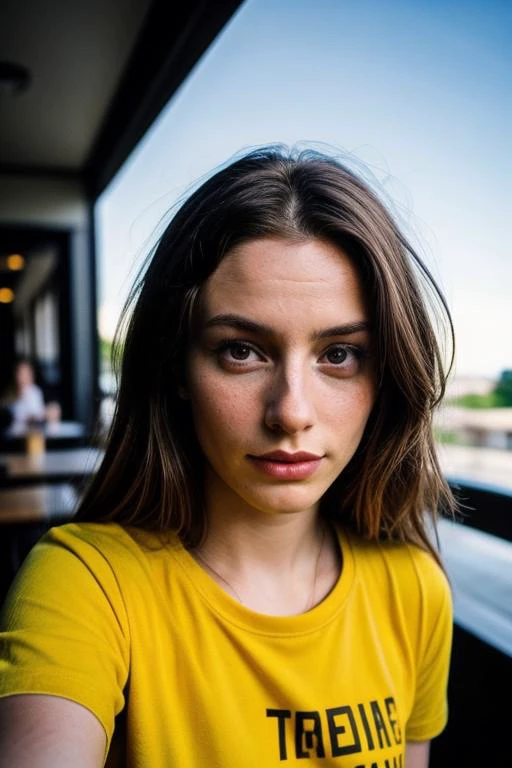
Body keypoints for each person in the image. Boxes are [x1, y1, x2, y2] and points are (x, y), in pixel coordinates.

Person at [0, 147, 455, 767]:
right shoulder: (87, 586)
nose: (291, 411)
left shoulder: (414, 590)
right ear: (178, 366)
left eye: (340, 355)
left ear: (387, 376)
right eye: (242, 350)